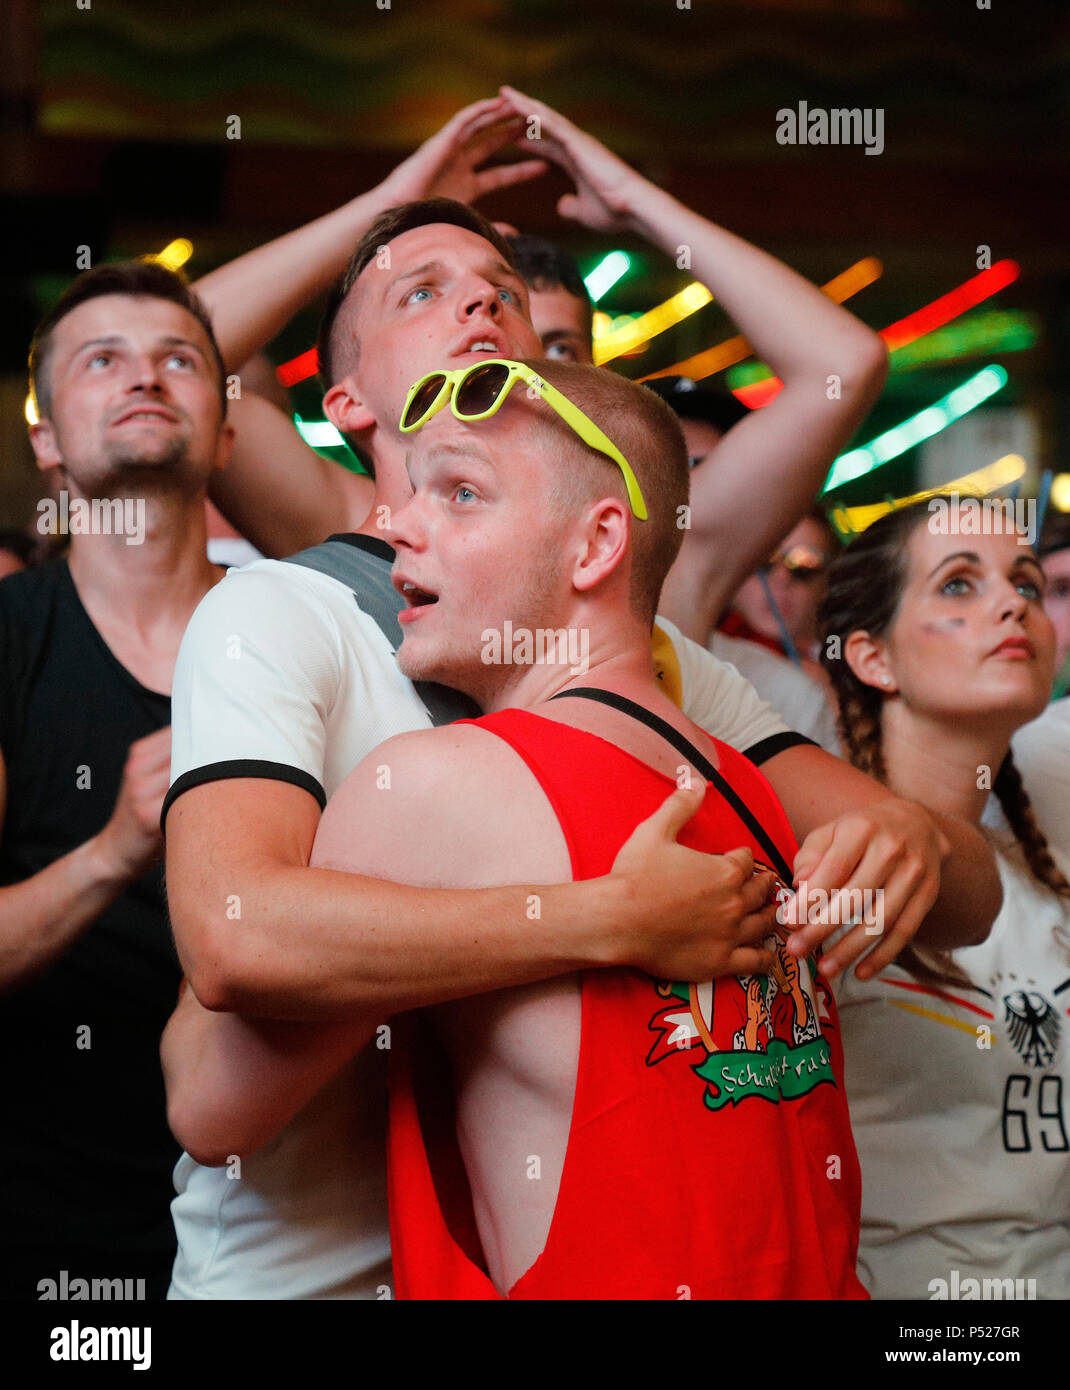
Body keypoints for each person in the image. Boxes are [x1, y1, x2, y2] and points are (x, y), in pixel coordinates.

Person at [162, 198, 1000, 1300]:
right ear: (346, 400)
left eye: (502, 292)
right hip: (301, 1278)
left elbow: (960, 885)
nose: (477, 302)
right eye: (423, 291)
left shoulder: (662, 673)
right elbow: (231, 956)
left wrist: (899, 835)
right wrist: (600, 917)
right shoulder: (277, 612)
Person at [0, 261, 233, 1298]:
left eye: (178, 359)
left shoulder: (308, 632)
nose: (146, 377)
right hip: (47, 1236)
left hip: (273, 1230)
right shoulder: (9, 639)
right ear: (46, 438)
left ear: (227, 431)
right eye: (104, 361)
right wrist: (112, 853)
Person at [811, 496, 1070, 1299]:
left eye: (1025, 581)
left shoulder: (1048, 878)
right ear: (872, 658)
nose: (1011, 602)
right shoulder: (819, 876)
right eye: (959, 585)